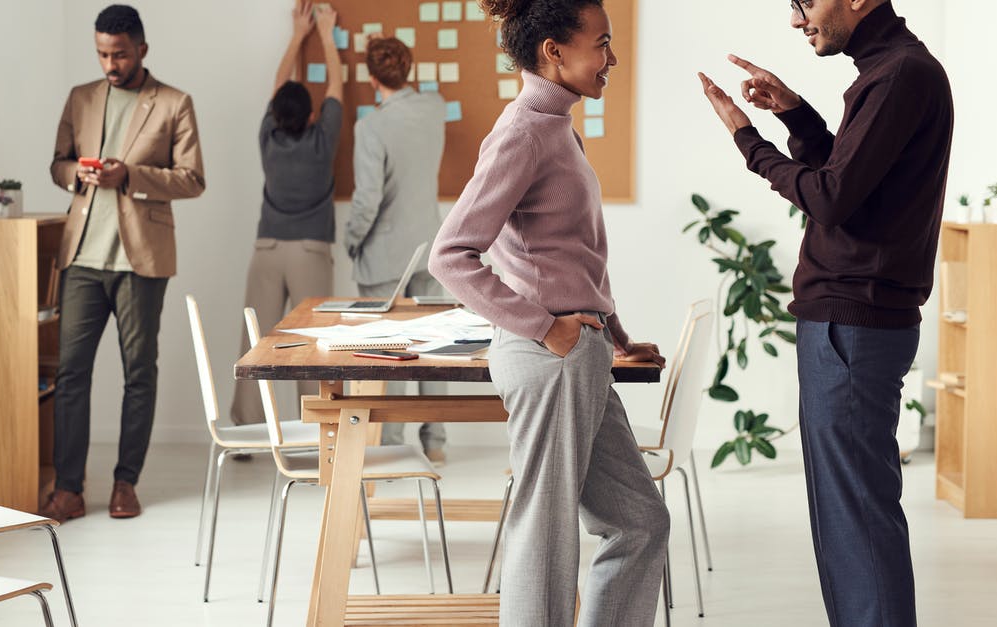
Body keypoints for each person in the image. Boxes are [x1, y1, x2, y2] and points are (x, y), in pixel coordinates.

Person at [698, 1, 952, 625]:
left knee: (855, 518)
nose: (795, 20)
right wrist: (796, 112)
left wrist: (746, 139)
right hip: (856, 319)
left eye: (804, 3)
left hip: (852, 322)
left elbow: (830, 197)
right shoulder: (892, 71)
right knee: (853, 514)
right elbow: (858, 181)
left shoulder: (897, 74)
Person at [429, 1, 668, 624]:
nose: (612, 57)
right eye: (602, 43)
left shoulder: (558, 124)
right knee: (546, 532)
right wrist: (546, 328)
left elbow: (575, 253)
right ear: (553, 51)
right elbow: (451, 255)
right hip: (549, 355)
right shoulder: (524, 131)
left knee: (640, 522)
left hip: (579, 350)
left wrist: (615, 336)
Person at [42, 4, 205, 522]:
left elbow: (192, 179)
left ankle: (125, 483)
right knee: (71, 375)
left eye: (119, 54)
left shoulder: (174, 103)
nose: (110, 64)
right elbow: (57, 163)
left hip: (141, 261)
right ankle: (68, 488)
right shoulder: (81, 98)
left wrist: (130, 176)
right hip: (83, 257)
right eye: (102, 54)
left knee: (139, 373)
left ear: (141, 50)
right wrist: (79, 174)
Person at [229, 1, 343, 431]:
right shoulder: (323, 140)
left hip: (267, 248)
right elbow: (336, 85)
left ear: (275, 114)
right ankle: (314, 425)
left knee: (254, 339)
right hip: (311, 251)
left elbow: (280, 84)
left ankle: (244, 425)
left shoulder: (268, 137)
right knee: (314, 343)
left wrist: (298, 33)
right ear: (313, 116)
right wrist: (327, 35)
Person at [345, 35, 449, 462]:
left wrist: (352, 240)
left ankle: (390, 445)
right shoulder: (435, 108)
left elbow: (367, 200)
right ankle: (435, 442)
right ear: (407, 70)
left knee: (389, 349)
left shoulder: (370, 126)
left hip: (385, 255)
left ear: (371, 78)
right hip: (430, 245)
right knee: (434, 344)